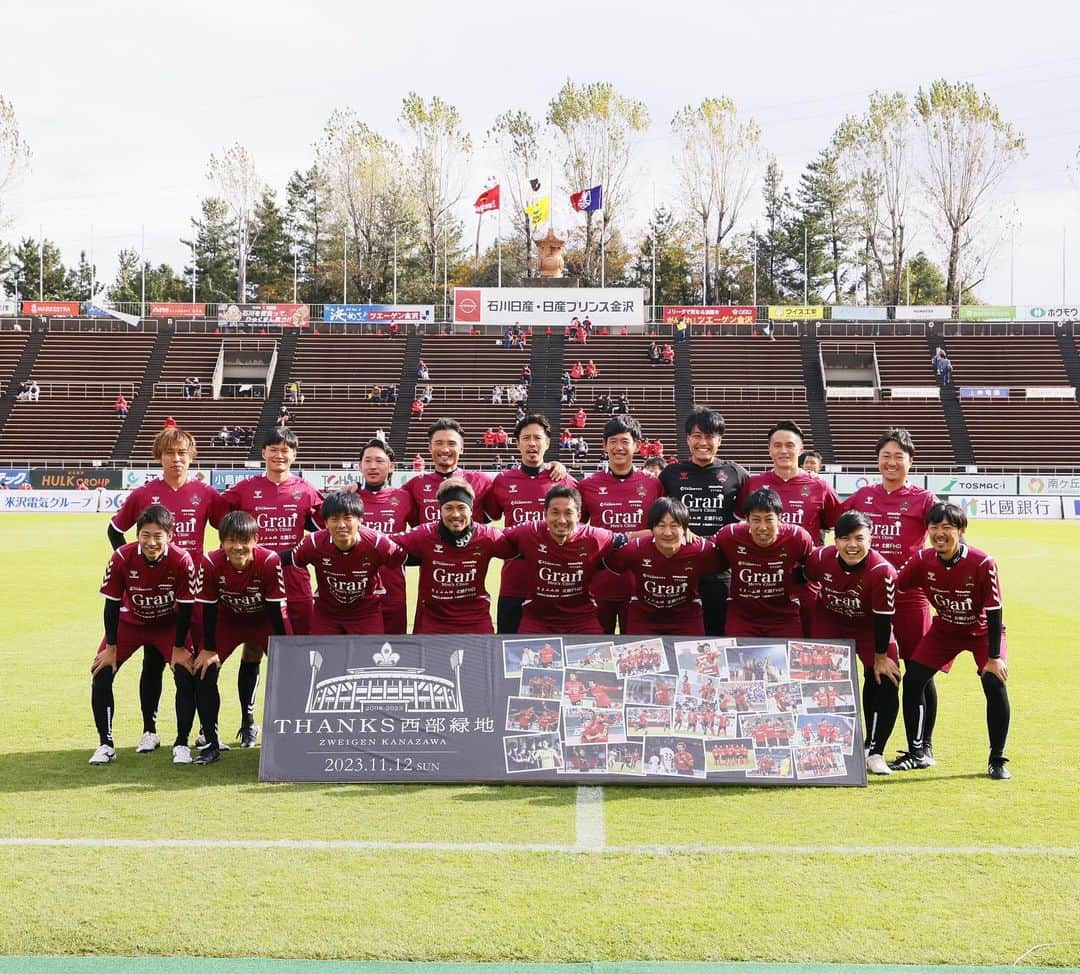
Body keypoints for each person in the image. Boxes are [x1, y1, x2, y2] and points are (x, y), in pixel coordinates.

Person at [108, 428, 227, 742]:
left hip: (196, 594)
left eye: (182, 453)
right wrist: (132, 566)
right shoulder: (144, 494)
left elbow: (230, 531)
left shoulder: (206, 494)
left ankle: (204, 729)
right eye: (169, 453)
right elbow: (114, 530)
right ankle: (150, 730)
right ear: (159, 457)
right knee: (152, 662)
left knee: (200, 661)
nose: (176, 459)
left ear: (191, 457)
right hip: (156, 595)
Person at [841, 428, 942, 762]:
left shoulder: (925, 500)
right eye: (886, 455)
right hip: (871, 599)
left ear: (911, 462)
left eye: (899, 456)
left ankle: (922, 746)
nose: (892, 462)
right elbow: (836, 525)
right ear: (877, 460)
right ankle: (873, 744)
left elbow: (946, 535)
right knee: (876, 669)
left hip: (910, 598)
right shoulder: (862, 496)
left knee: (919, 671)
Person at [890, 503, 1012, 780]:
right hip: (945, 629)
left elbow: (994, 611)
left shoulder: (983, 562)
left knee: (994, 682)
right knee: (913, 680)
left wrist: (994, 658)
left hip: (981, 631)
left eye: (947, 527)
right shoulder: (923, 559)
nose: (939, 533)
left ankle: (997, 759)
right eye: (934, 527)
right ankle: (917, 752)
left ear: (961, 530)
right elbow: (896, 583)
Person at [221, 427, 323, 745]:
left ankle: (295, 722)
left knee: (299, 654)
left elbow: (325, 530)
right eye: (274, 449)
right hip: (254, 583)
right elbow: (223, 525)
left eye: (286, 449)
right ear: (263, 453)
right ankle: (248, 722)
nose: (280, 455)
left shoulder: (306, 491)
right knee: (253, 648)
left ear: (295, 454)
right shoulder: (243, 491)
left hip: (295, 583)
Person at [89, 505, 196, 765]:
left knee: (186, 674)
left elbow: (186, 608)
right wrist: (111, 647)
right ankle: (106, 744)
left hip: (168, 625)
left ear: (170, 536)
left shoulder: (182, 559)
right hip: (131, 622)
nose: (151, 542)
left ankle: (182, 743)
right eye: (145, 535)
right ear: (137, 535)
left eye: (158, 536)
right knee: (101, 673)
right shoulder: (122, 557)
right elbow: (111, 604)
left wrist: (180, 647)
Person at [803, 511, 901, 775]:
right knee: (819, 681)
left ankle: (875, 750)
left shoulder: (883, 572)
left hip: (870, 628)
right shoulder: (820, 558)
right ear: (835, 540)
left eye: (859, 538)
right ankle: (823, 745)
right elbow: (804, 580)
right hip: (830, 621)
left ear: (871, 539)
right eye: (845, 538)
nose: (852, 545)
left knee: (887, 677)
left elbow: (884, 619)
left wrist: (880, 656)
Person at [194, 511, 289, 765]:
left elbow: (275, 610)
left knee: (291, 671)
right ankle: (211, 743)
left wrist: (283, 649)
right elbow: (209, 608)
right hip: (228, 620)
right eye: (230, 540)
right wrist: (209, 649)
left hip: (264, 620)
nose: (237, 547)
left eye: (244, 540)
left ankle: (268, 730)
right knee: (205, 670)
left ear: (255, 539)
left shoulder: (269, 561)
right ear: (221, 542)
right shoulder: (211, 562)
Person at [740, 421, 841, 635]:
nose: (783, 450)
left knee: (806, 647)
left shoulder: (819, 486)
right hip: (762, 582)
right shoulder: (754, 483)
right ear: (769, 449)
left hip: (804, 582)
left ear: (801, 449)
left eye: (789, 445)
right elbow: (740, 524)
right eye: (777, 445)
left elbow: (836, 526)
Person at [659, 407, 749, 635]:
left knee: (716, 632)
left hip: (719, 568)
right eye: (697, 436)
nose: (703, 442)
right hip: (676, 566)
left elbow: (747, 519)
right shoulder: (670, 473)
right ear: (687, 438)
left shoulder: (735, 473)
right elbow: (657, 518)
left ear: (720, 439)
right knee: (676, 631)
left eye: (709, 436)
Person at [577, 415, 665, 633]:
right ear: (604, 445)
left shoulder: (653, 485)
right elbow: (576, 532)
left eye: (625, 442)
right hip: (598, 585)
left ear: (637, 446)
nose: (618, 447)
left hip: (642, 586)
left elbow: (665, 530)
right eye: (613, 441)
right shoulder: (588, 485)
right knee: (596, 653)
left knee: (636, 654)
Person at [390, 479, 510, 633]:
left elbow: (520, 543)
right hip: (434, 621)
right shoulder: (424, 534)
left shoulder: (487, 536)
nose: (455, 514)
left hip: (476, 620)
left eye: (461, 507)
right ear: (440, 510)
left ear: (471, 510)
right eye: (448, 508)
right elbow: (382, 543)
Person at [500, 485, 623, 635]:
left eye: (568, 513)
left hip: (582, 620)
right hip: (537, 620)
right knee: (525, 657)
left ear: (578, 515)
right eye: (555, 513)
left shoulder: (596, 537)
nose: (562, 520)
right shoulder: (528, 532)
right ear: (545, 514)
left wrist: (656, 534)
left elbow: (628, 541)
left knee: (599, 658)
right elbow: (490, 537)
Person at [283, 491, 404, 635]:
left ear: (360, 520)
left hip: (366, 615)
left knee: (367, 658)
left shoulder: (378, 543)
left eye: (347, 518)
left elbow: (402, 557)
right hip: (326, 615)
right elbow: (289, 558)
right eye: (334, 519)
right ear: (326, 523)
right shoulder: (313, 543)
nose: (341, 525)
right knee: (321, 657)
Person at [604, 497, 716, 636]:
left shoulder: (701, 549)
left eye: (674, 526)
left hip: (686, 617)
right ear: (652, 528)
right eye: (661, 525)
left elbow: (722, 562)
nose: (667, 533)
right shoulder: (635, 548)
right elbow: (611, 562)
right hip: (644, 617)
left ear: (685, 528)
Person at [709, 487, 813, 637]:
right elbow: (702, 553)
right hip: (742, 616)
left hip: (784, 616)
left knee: (790, 659)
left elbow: (815, 567)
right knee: (736, 659)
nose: (762, 527)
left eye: (769, 519)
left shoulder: (798, 537)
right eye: (756, 520)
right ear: (747, 519)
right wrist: (683, 534)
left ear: (779, 518)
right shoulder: (729, 535)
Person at [357, 439, 414, 634]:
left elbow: (421, 537)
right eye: (368, 461)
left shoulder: (405, 498)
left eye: (380, 461)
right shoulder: (349, 500)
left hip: (393, 590)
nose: (373, 466)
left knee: (394, 654)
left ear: (391, 466)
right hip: (356, 592)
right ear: (360, 466)